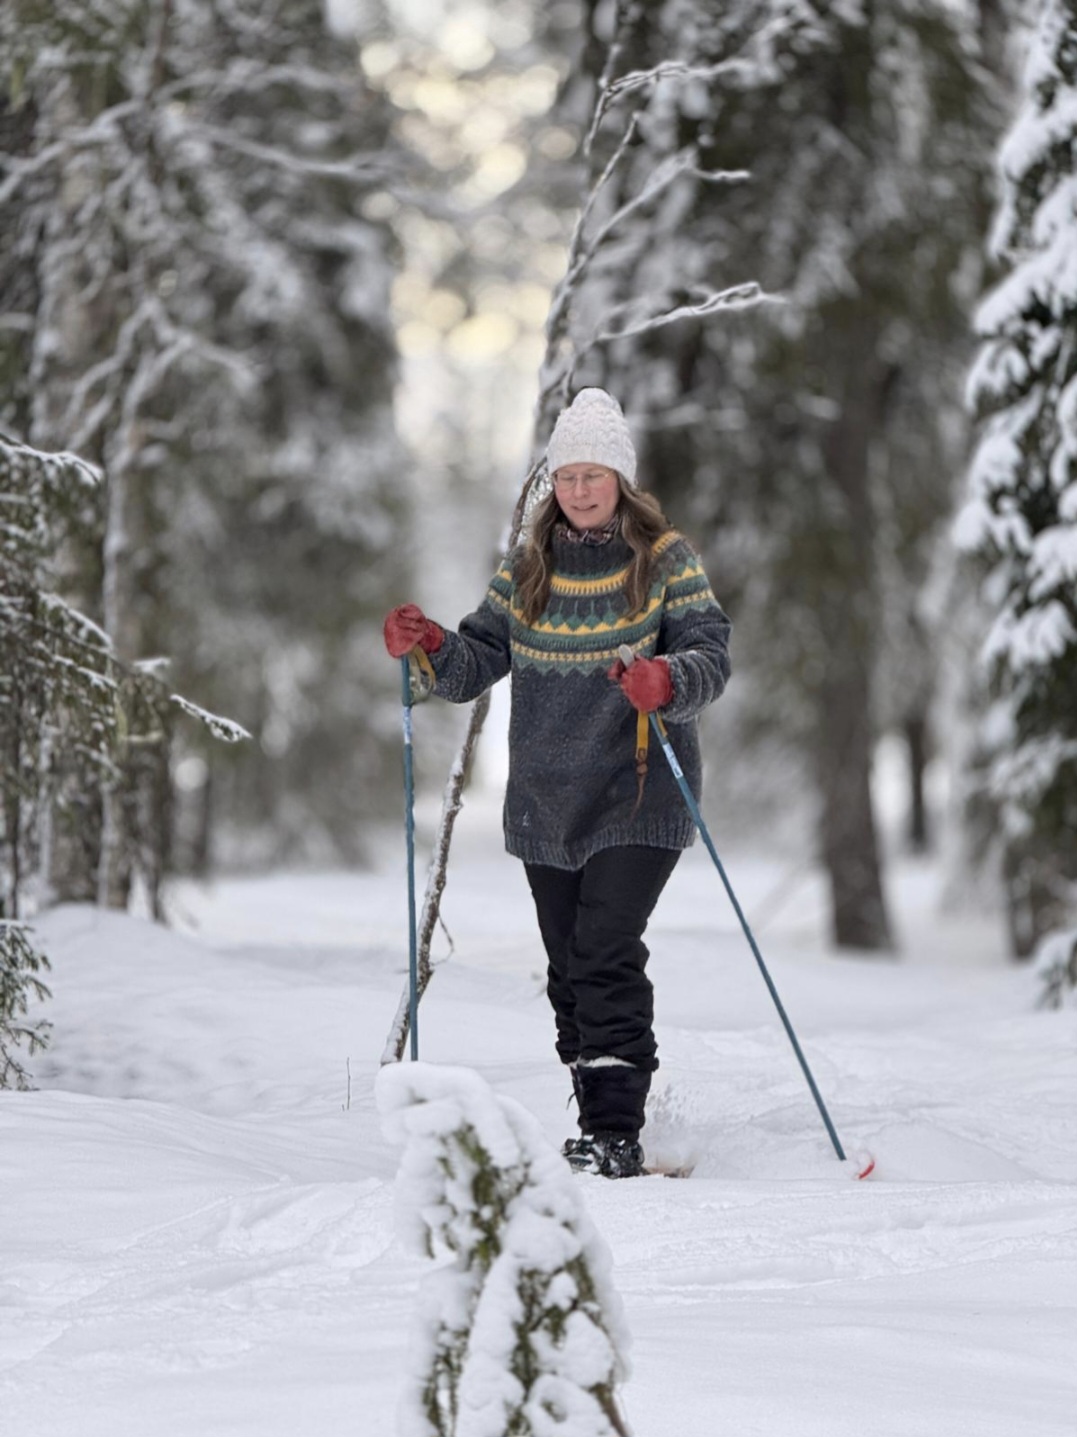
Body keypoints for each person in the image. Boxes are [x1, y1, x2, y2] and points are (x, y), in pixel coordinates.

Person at [383, 388, 731, 1178]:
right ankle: (595, 1109)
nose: (578, 489)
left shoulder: (664, 560)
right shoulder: (528, 568)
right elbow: (473, 662)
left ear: (620, 480)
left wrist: (666, 679)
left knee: (604, 949)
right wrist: (428, 641)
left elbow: (711, 654)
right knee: (569, 968)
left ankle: (615, 1132)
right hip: (546, 800)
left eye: (593, 474)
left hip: (638, 790)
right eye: (566, 475)